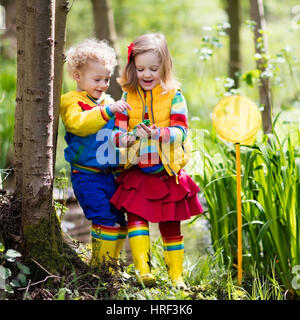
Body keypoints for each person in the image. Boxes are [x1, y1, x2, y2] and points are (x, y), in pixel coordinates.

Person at [110, 33, 203, 288]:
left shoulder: (174, 95)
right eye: (140, 69)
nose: (147, 74)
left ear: (165, 67)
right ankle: (144, 270)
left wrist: (159, 134)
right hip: (138, 170)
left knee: (171, 223)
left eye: (153, 68)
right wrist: (126, 139)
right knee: (136, 217)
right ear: (132, 68)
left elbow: (181, 131)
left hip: (167, 170)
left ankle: (176, 277)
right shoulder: (128, 97)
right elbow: (117, 134)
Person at [60, 38, 131, 268]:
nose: (103, 84)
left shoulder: (108, 101)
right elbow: (78, 125)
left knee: (119, 220)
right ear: (78, 76)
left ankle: (111, 263)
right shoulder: (73, 101)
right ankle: (101, 268)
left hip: (109, 174)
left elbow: (115, 135)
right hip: (86, 175)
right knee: (103, 218)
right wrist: (107, 110)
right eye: (97, 79)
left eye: (107, 79)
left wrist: (128, 138)